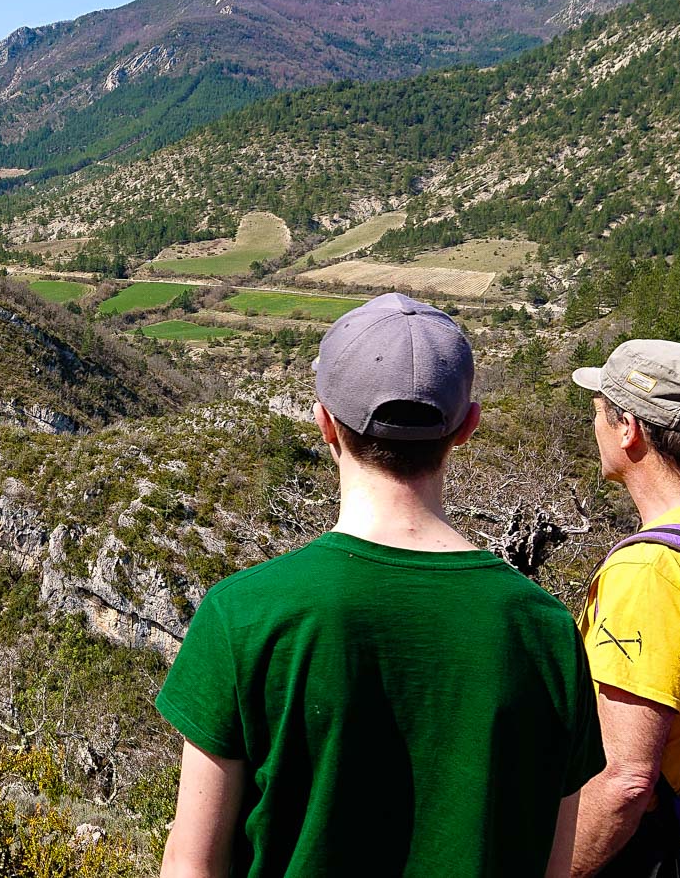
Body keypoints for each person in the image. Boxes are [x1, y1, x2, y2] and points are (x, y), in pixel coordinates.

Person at [156, 294, 604, 878]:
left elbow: (191, 864)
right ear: (467, 427)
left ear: (324, 423)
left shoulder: (242, 614)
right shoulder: (546, 630)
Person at [566, 340, 680, 878]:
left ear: (628, 429)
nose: (595, 426)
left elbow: (625, 781)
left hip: (654, 851)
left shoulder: (651, 572)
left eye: (599, 412)